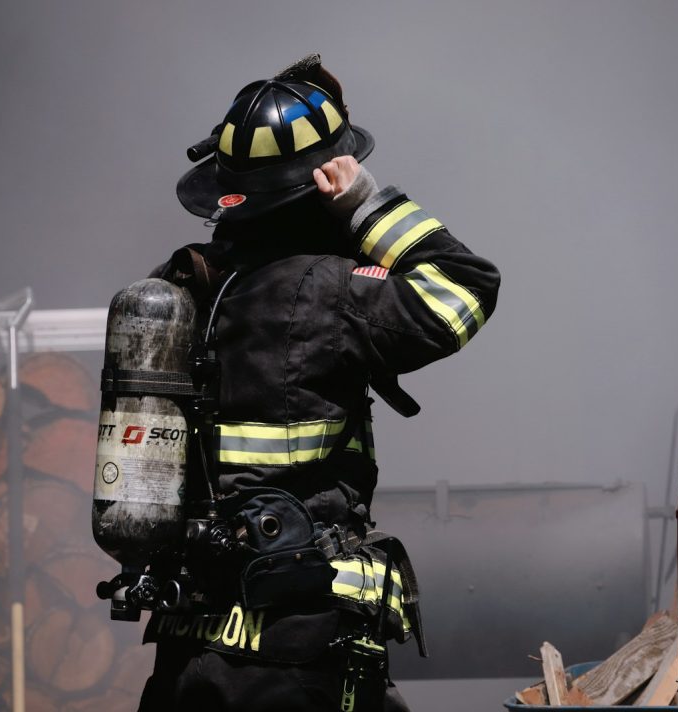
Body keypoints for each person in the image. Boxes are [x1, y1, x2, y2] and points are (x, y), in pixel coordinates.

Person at [138, 55, 500, 712]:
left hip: (186, 649)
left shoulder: (178, 287)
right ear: (321, 184)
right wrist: (367, 205)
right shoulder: (333, 294)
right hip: (299, 651)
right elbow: (466, 288)